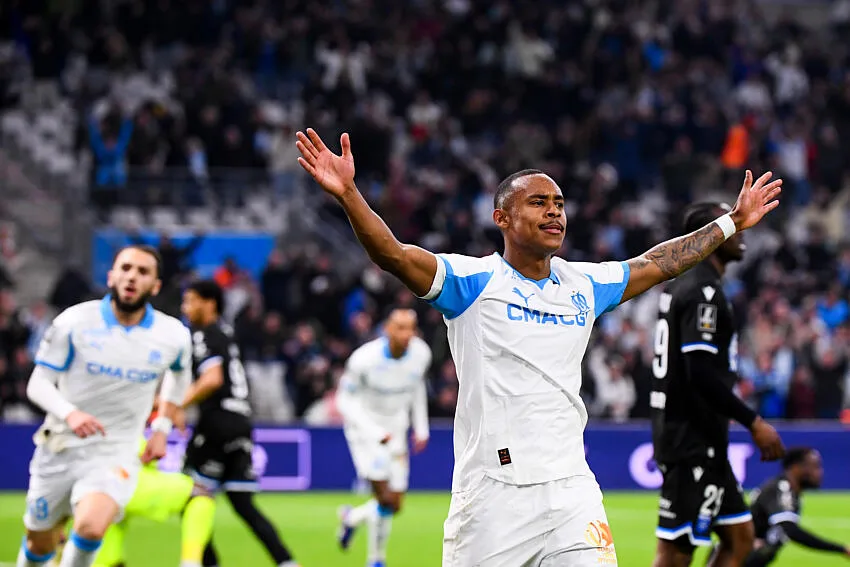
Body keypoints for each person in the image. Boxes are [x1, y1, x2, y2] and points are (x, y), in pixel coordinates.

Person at [295, 128, 785, 566]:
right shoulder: (472, 281)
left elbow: (658, 263)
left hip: (572, 489)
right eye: (538, 202)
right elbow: (394, 255)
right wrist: (350, 195)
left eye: (559, 203)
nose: (554, 211)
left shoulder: (584, 284)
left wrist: (731, 222)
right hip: (493, 496)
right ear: (502, 218)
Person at [17, 245, 192, 567]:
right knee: (39, 544)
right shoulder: (74, 321)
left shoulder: (173, 335)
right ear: (111, 276)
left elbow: (179, 377)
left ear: (155, 286)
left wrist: (161, 429)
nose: (132, 277)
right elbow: (37, 384)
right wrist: (70, 413)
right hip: (60, 446)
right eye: (125, 268)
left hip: (116, 450)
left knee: (91, 527)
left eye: (142, 272)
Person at [650, 202, 786, 567]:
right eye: (731, 226)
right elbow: (700, 373)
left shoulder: (689, 285)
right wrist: (753, 422)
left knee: (741, 537)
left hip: (704, 437)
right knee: (676, 552)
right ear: (709, 236)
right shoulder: (702, 291)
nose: (741, 234)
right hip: (689, 438)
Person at [179, 280, 299, 567]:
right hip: (242, 422)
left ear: (209, 303)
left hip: (217, 423)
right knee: (243, 504)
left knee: (189, 501)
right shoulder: (227, 333)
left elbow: (212, 379)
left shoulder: (203, 334)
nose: (185, 308)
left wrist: (175, 405)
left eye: (190, 301)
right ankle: (288, 563)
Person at [336, 308, 432, 567]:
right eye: (400, 328)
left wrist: (421, 427)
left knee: (395, 504)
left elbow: (416, 387)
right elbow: (344, 400)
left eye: (410, 328)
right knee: (385, 498)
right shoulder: (364, 359)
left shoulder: (421, 354)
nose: (406, 334)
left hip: (397, 431)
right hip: (365, 432)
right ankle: (376, 560)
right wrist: (374, 432)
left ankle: (351, 518)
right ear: (387, 329)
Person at [91, 431, 216, 567]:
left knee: (104, 555)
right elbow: (144, 454)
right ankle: (191, 563)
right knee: (199, 494)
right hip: (119, 478)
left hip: (89, 488)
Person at [745, 447, 850, 566]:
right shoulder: (780, 489)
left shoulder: (791, 494)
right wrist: (842, 549)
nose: (819, 472)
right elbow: (790, 529)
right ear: (796, 468)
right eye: (814, 466)